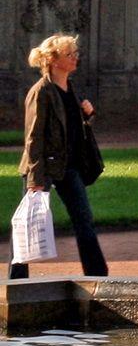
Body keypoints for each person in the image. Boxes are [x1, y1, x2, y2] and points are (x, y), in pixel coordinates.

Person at [13, 34, 106, 280]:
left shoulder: (70, 89)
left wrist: (88, 114)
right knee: (28, 224)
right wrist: (35, 178)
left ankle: (98, 276)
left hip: (69, 166)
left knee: (84, 221)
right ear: (54, 60)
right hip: (43, 168)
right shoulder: (41, 92)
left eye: (75, 53)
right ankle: (17, 280)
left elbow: (71, 127)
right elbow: (33, 138)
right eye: (70, 54)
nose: (75, 58)